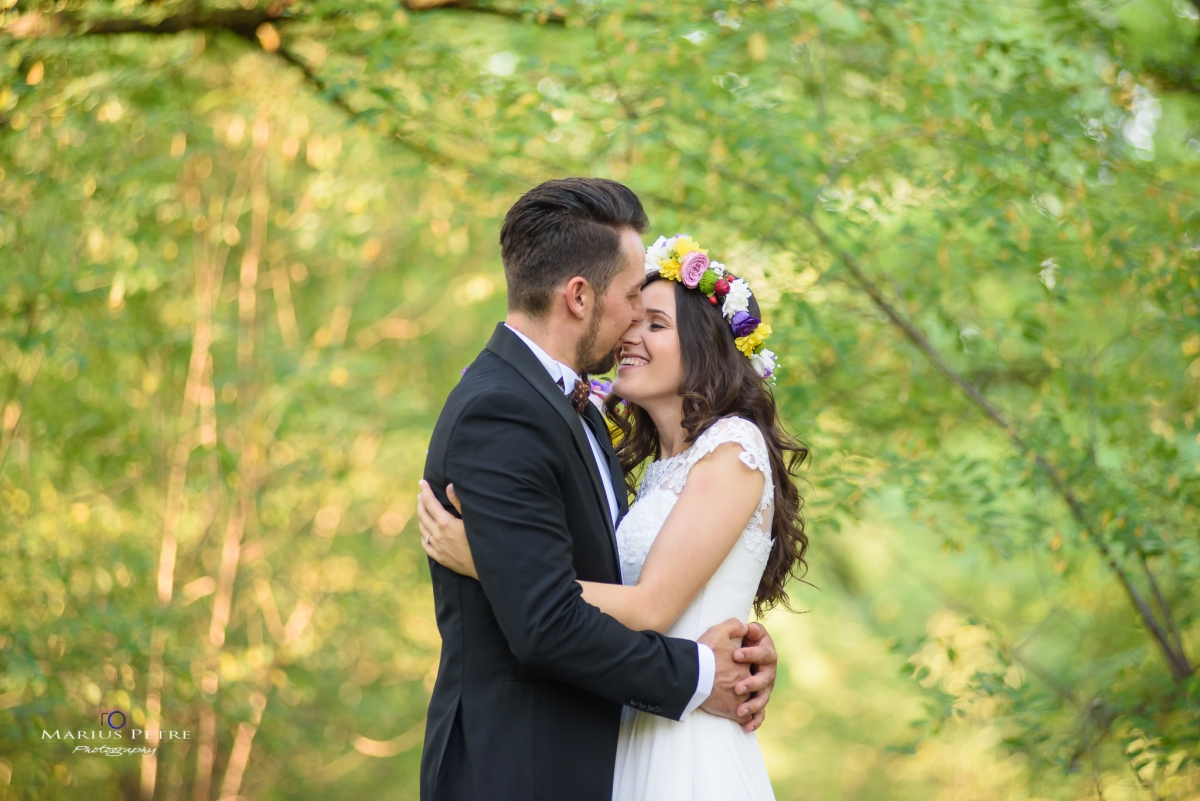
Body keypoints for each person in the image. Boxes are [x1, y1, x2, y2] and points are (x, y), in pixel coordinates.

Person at [416, 179, 785, 801]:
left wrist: (489, 562)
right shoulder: (502, 410)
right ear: (580, 297)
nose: (632, 326)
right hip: (520, 768)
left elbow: (633, 591)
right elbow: (546, 619)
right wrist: (702, 672)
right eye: (631, 300)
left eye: (653, 317)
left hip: (639, 750)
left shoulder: (581, 412)